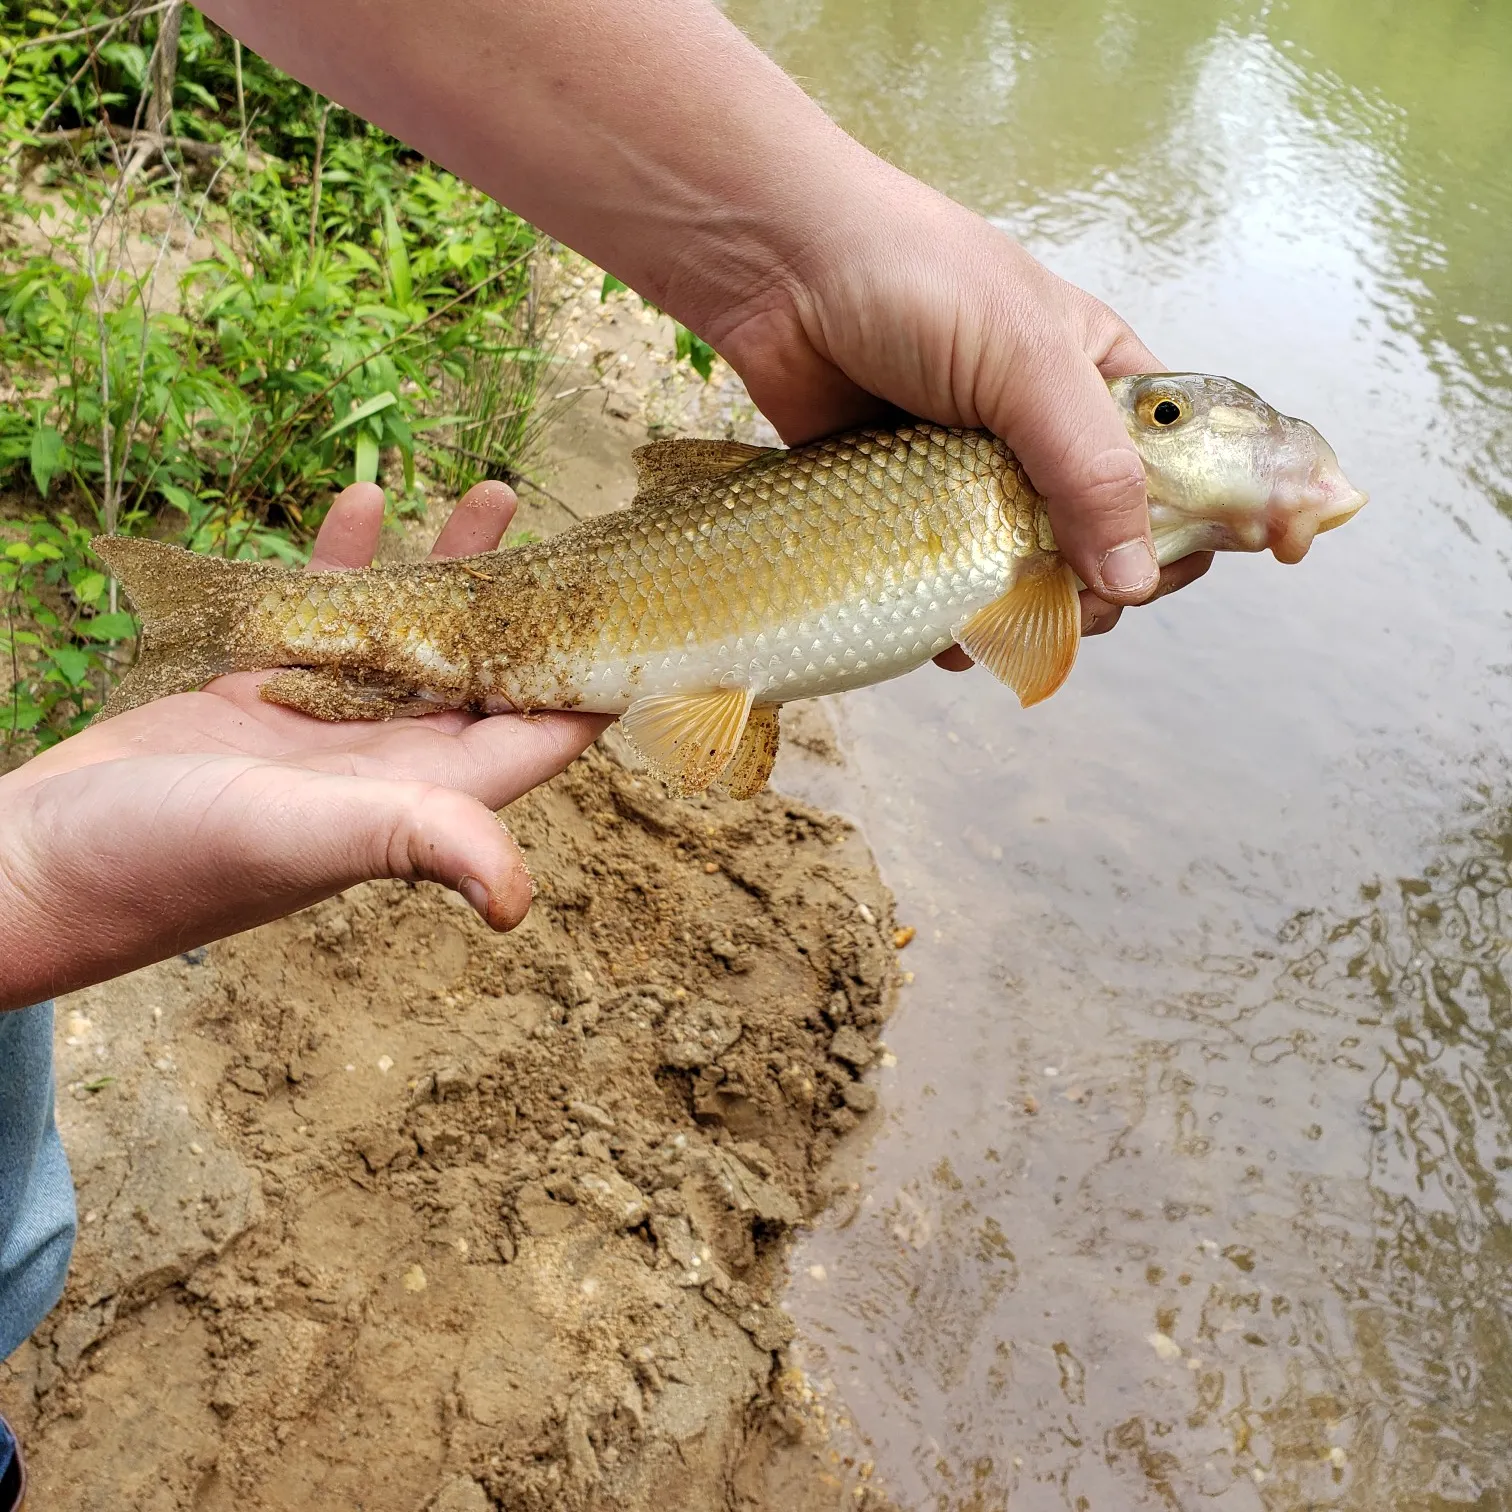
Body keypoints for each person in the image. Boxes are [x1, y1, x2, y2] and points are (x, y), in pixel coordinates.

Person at [0, 0, 1210, 1492]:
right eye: (1157, 415)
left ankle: (259, 623)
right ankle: (246, 620)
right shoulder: (1002, 509)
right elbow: (1029, 648)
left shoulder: (1010, 503)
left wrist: (798, 255)